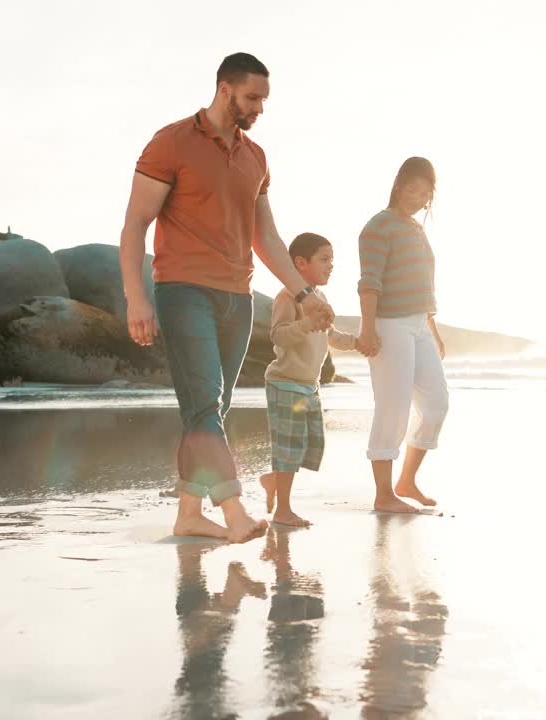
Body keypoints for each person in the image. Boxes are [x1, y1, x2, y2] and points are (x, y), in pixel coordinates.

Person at [118, 52, 334, 543]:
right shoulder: (170, 142)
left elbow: (269, 238)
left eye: (264, 99)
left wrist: (304, 294)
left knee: (210, 407)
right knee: (205, 403)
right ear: (224, 89)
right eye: (252, 97)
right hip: (182, 290)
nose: (260, 107)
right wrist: (137, 298)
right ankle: (234, 511)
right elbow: (134, 226)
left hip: (236, 296)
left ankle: (189, 514)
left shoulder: (256, 157)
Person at [356, 157, 449, 513]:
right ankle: (383, 495)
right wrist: (367, 328)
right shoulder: (378, 227)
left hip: (420, 325)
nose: (418, 198)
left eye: (425, 194)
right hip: (389, 323)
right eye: (413, 189)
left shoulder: (417, 229)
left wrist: (434, 332)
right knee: (392, 407)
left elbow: (424, 288)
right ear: (398, 185)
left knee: (436, 404)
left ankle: (406, 481)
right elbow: (370, 283)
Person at [258, 233, 358, 527]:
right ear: (300, 263)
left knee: (306, 447)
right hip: (285, 383)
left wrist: (359, 342)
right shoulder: (287, 296)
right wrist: (306, 323)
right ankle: (283, 511)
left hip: (308, 387)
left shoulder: (321, 298)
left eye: (332, 260)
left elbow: (331, 335)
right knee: (288, 449)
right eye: (324, 259)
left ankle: (272, 480)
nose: (331, 266)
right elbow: (278, 335)